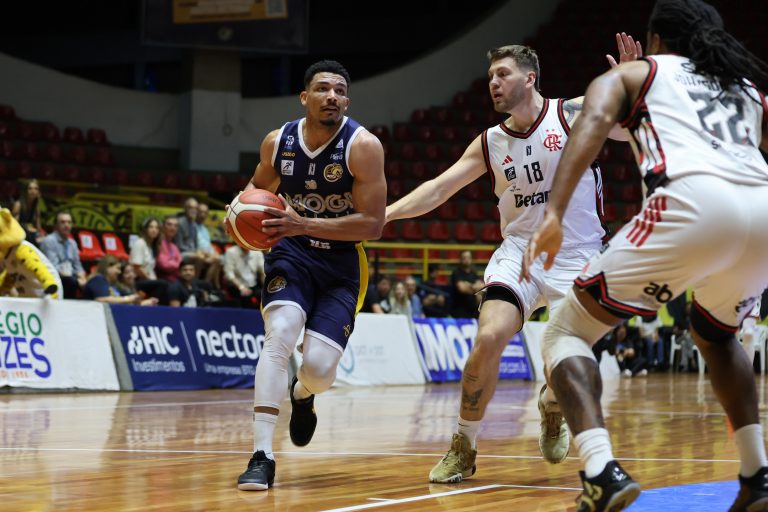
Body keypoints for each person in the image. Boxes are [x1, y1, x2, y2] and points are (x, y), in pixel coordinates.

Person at [521, 1, 768, 509]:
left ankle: (601, 472)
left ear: (655, 39)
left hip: (693, 203)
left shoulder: (637, 73)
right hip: (761, 213)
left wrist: (554, 213)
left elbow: (589, 125)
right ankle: (757, 474)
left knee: (565, 332)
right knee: (717, 335)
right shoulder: (745, 88)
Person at [385, 37, 635, 484]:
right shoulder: (491, 141)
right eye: (490, 77)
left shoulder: (572, 113)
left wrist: (632, 91)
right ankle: (463, 445)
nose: (494, 83)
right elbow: (440, 188)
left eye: (503, 74)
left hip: (578, 254)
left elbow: (627, 128)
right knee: (489, 336)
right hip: (519, 252)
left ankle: (552, 405)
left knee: (564, 364)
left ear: (530, 78)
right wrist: (385, 215)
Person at [235, 60, 386, 491]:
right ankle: (261, 455)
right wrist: (240, 212)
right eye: (322, 88)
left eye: (339, 90)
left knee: (318, 370)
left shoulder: (363, 146)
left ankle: (303, 394)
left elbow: (373, 224)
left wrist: (304, 223)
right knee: (279, 334)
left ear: (347, 101)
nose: (331, 96)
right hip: (292, 253)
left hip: (340, 264)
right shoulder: (277, 142)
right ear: (305, 97)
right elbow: (254, 192)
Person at [0, 208, 61, 299]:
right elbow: (11, 275)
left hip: (48, 292)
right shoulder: (7, 255)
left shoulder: (21, 249)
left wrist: (49, 283)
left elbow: (38, 268)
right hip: (29, 295)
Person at [38, 211, 86, 298]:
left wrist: (82, 276)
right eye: (63, 222)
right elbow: (52, 267)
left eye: (69, 222)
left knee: (90, 284)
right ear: (56, 225)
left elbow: (77, 265)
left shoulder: (72, 243)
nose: (66, 225)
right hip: (56, 277)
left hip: (71, 276)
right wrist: (74, 279)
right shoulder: (49, 241)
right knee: (70, 281)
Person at [84, 255, 158, 306]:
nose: (119, 272)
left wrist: (145, 303)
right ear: (108, 267)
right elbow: (101, 300)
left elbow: (124, 303)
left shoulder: (113, 285)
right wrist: (128, 298)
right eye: (117, 268)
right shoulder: (98, 279)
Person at [223, 243, 265, 308]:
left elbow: (262, 272)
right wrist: (241, 287)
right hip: (236, 285)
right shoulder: (231, 252)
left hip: (253, 285)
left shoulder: (257, 252)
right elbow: (229, 274)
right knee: (246, 298)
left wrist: (266, 287)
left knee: (265, 296)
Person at [450, 250, 484, 319]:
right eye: (464, 258)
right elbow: (462, 288)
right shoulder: (457, 273)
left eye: (468, 257)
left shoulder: (473, 272)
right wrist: (475, 287)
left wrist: (470, 286)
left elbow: (482, 286)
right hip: (459, 310)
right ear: (461, 259)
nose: (466, 260)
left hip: (473, 310)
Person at [11, 179, 42, 245]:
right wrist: (27, 227)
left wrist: (40, 235)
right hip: (18, 235)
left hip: (30, 234)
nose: (33, 191)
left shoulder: (36, 206)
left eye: (36, 189)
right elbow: (14, 225)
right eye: (30, 188)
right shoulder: (18, 205)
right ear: (25, 191)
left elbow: (38, 225)